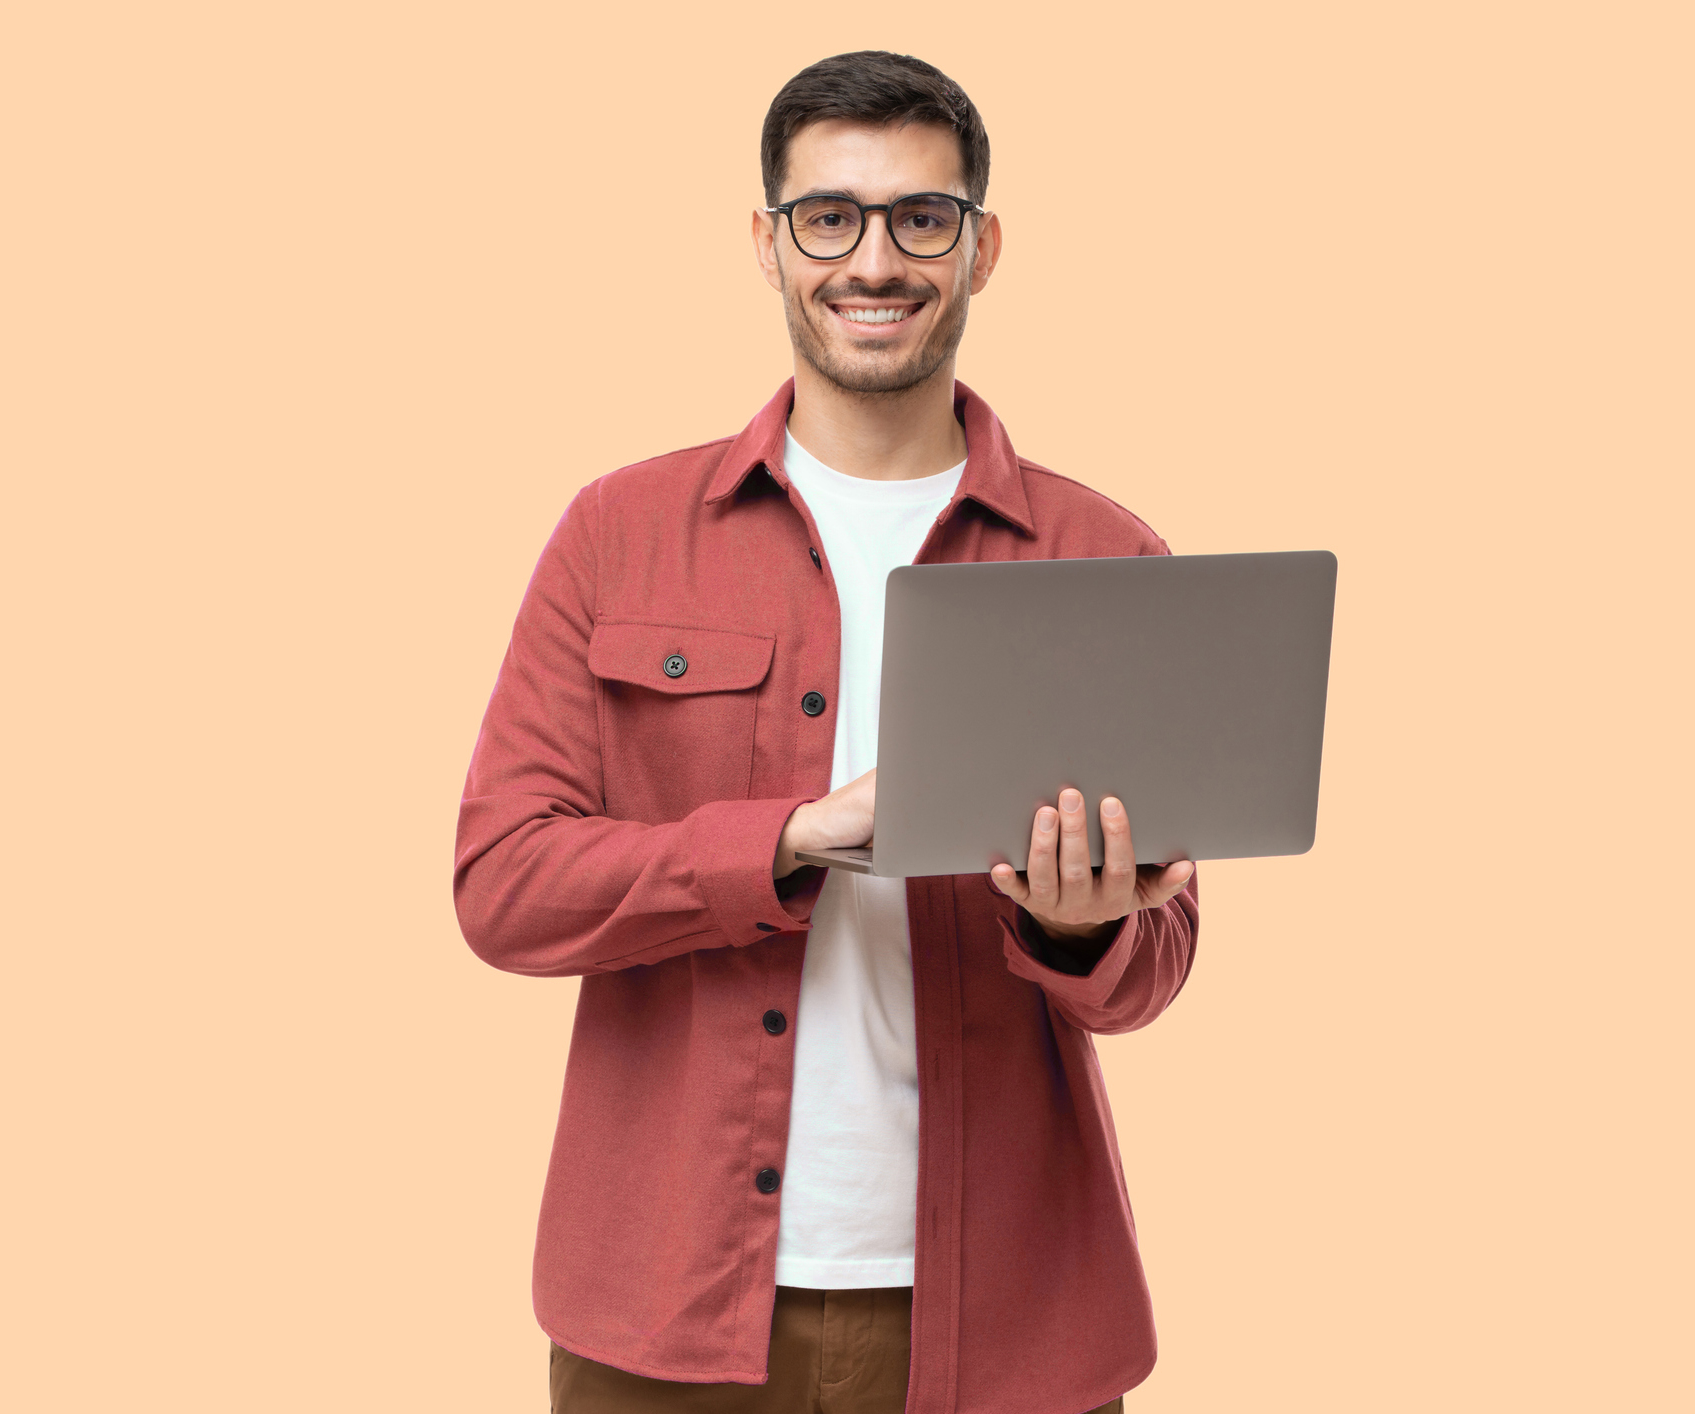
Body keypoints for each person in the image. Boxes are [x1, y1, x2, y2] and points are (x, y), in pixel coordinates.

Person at [454, 50, 1198, 1414]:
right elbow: (503, 889)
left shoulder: (1106, 557)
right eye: (829, 216)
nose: (875, 260)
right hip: (664, 1320)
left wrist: (1085, 927)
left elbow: (1157, 968)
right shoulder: (617, 535)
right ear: (767, 240)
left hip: (1011, 1320)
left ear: (980, 250)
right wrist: (789, 841)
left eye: (922, 217)